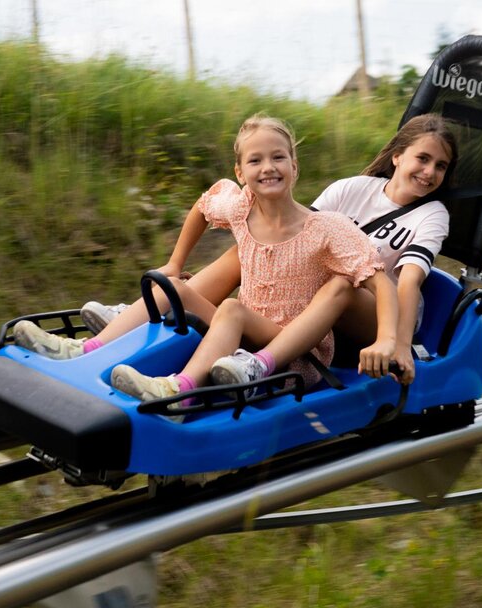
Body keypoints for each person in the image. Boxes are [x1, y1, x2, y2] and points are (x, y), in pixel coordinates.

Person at [14, 113, 457, 385]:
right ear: (398, 156)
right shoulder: (353, 189)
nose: (429, 171)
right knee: (249, 249)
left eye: (440, 166)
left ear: (294, 165)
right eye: (422, 158)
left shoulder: (430, 214)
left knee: (339, 280)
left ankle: (253, 364)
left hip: (372, 312)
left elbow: (405, 281)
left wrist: (395, 343)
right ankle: (119, 328)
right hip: (291, 306)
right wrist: (175, 265)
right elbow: (284, 235)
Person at [106, 114, 399, 406]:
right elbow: (203, 205)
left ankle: (177, 393)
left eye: (278, 157)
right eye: (255, 160)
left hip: (295, 355)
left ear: (294, 166)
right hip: (244, 335)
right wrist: (175, 263)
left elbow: (380, 283)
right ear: (240, 173)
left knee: (231, 308)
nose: (268, 167)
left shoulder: (326, 228)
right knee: (175, 287)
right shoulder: (240, 210)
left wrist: (387, 340)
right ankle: (93, 350)